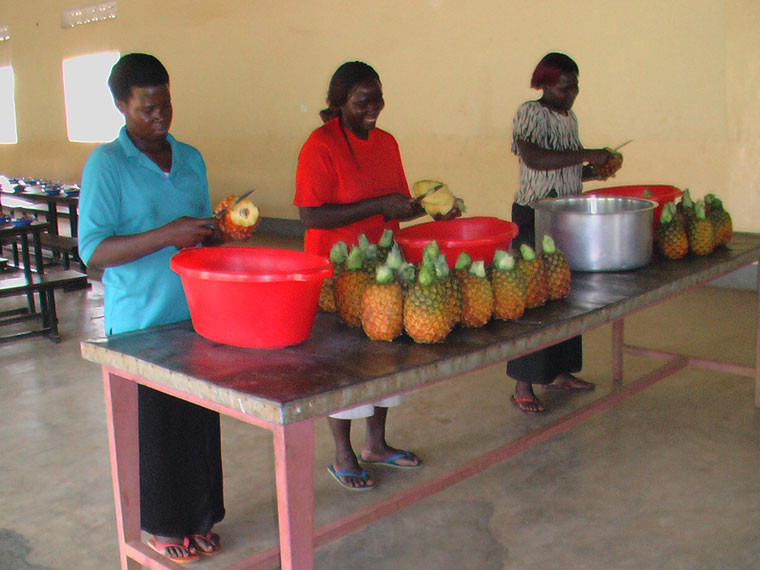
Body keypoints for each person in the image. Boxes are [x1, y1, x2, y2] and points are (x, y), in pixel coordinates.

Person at [78, 53, 224, 563]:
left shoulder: (191, 158)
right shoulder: (107, 165)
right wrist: (169, 235)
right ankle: (164, 526)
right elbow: (93, 250)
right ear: (121, 105)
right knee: (158, 432)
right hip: (141, 323)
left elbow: (201, 229)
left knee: (198, 422)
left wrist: (215, 232)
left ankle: (200, 518)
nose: (159, 116)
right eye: (146, 108)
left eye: (165, 104)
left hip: (194, 315)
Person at [294, 61, 425, 491]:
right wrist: (377, 205)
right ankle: (343, 453)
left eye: (378, 98)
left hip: (384, 267)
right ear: (338, 103)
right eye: (361, 101)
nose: (373, 107)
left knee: (384, 356)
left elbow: (396, 202)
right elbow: (310, 214)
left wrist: (428, 208)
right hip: (338, 271)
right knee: (344, 364)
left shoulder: (386, 142)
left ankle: (377, 444)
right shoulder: (321, 144)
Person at [508, 52, 622, 413]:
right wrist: (589, 154)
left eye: (575, 87)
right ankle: (522, 384)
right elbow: (535, 160)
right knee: (536, 298)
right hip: (535, 214)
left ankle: (559, 371)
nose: (571, 94)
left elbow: (563, 171)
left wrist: (593, 171)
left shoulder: (569, 118)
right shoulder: (531, 112)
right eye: (564, 87)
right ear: (543, 83)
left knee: (565, 295)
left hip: (565, 214)